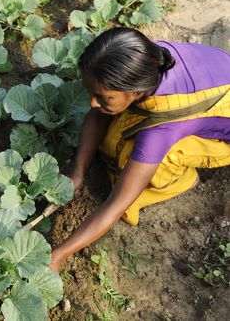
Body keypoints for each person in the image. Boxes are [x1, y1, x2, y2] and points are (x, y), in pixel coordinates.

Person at [48, 27, 230, 273]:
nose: (92, 102)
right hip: (215, 79)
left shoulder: (165, 124)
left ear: (135, 91)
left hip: (222, 136)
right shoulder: (141, 60)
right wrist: (78, 172)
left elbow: (116, 204)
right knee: (112, 135)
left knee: (123, 156)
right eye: (92, 92)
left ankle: (180, 181)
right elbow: (97, 113)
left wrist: (59, 254)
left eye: (102, 97)